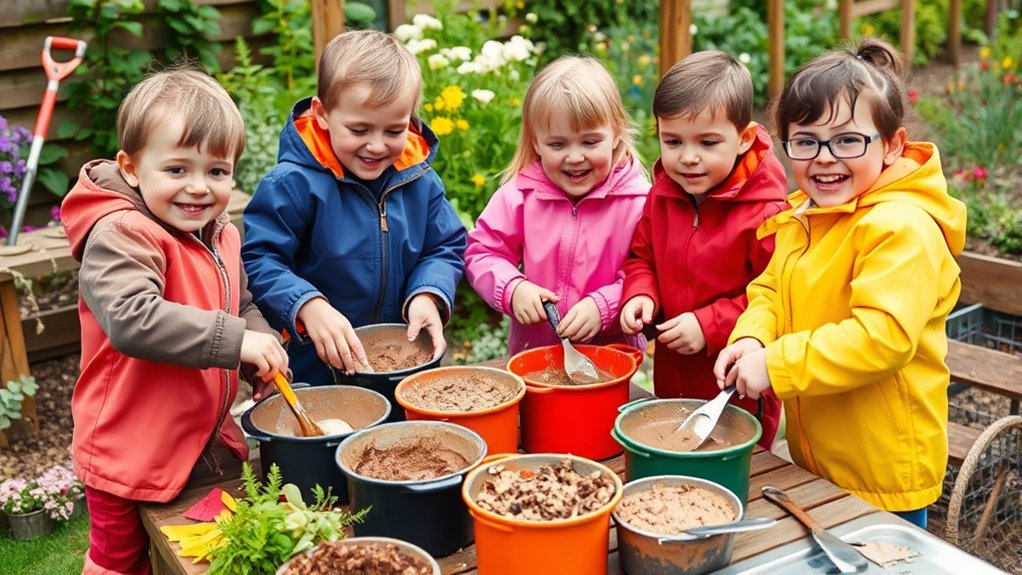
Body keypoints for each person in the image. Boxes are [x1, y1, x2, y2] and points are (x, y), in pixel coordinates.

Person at [714, 38, 967, 528]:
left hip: (881, 467)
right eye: (805, 142)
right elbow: (770, 289)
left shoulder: (901, 229)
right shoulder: (809, 215)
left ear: (892, 145)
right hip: (821, 457)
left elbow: (881, 339)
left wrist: (776, 363)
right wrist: (752, 335)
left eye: (849, 141)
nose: (825, 158)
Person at [61, 69, 289, 575]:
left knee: (209, 551)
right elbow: (132, 318)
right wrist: (237, 341)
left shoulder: (220, 233)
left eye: (217, 171)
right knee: (120, 562)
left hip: (206, 438)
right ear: (132, 167)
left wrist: (263, 349)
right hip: (129, 449)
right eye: (178, 169)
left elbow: (242, 304)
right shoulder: (121, 234)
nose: (199, 188)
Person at [242, 30, 466, 385]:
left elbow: (444, 246)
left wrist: (428, 293)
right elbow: (259, 260)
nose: (376, 146)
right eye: (359, 129)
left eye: (394, 131)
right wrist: (306, 305)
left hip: (404, 363)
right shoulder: (292, 184)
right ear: (322, 114)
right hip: (318, 367)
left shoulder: (420, 180)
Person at [619, 51, 788, 448]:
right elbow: (642, 258)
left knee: (728, 474)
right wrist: (642, 294)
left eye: (708, 143)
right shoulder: (663, 196)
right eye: (672, 141)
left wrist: (709, 325)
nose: (688, 157)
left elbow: (781, 299)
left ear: (744, 138)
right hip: (673, 376)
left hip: (737, 387)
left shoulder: (767, 213)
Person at [464, 56, 650, 355]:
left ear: (616, 134)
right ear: (535, 142)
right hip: (535, 356)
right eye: (557, 145)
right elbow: (484, 252)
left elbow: (648, 271)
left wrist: (605, 306)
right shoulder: (519, 196)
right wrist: (512, 288)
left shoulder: (638, 203)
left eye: (590, 142)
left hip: (612, 358)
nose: (574, 157)